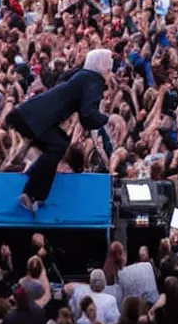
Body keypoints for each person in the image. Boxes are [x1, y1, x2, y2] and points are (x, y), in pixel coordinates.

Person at [6, 49, 112, 213]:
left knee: (60, 143)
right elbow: (88, 114)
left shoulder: (81, 76)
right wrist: (106, 119)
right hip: (35, 119)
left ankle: (34, 185)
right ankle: (31, 193)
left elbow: (84, 116)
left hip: (28, 115)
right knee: (58, 145)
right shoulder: (94, 80)